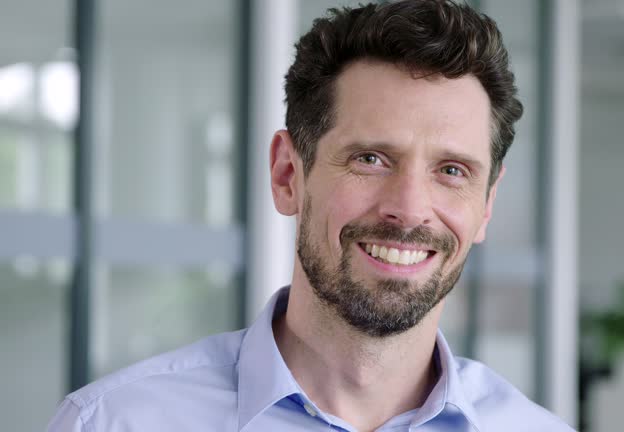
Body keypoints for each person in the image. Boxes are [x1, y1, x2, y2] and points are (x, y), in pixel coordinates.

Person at [47, 1, 575, 431]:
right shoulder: (113, 423)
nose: (410, 209)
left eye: (453, 170)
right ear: (287, 174)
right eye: (370, 159)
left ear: (487, 204)